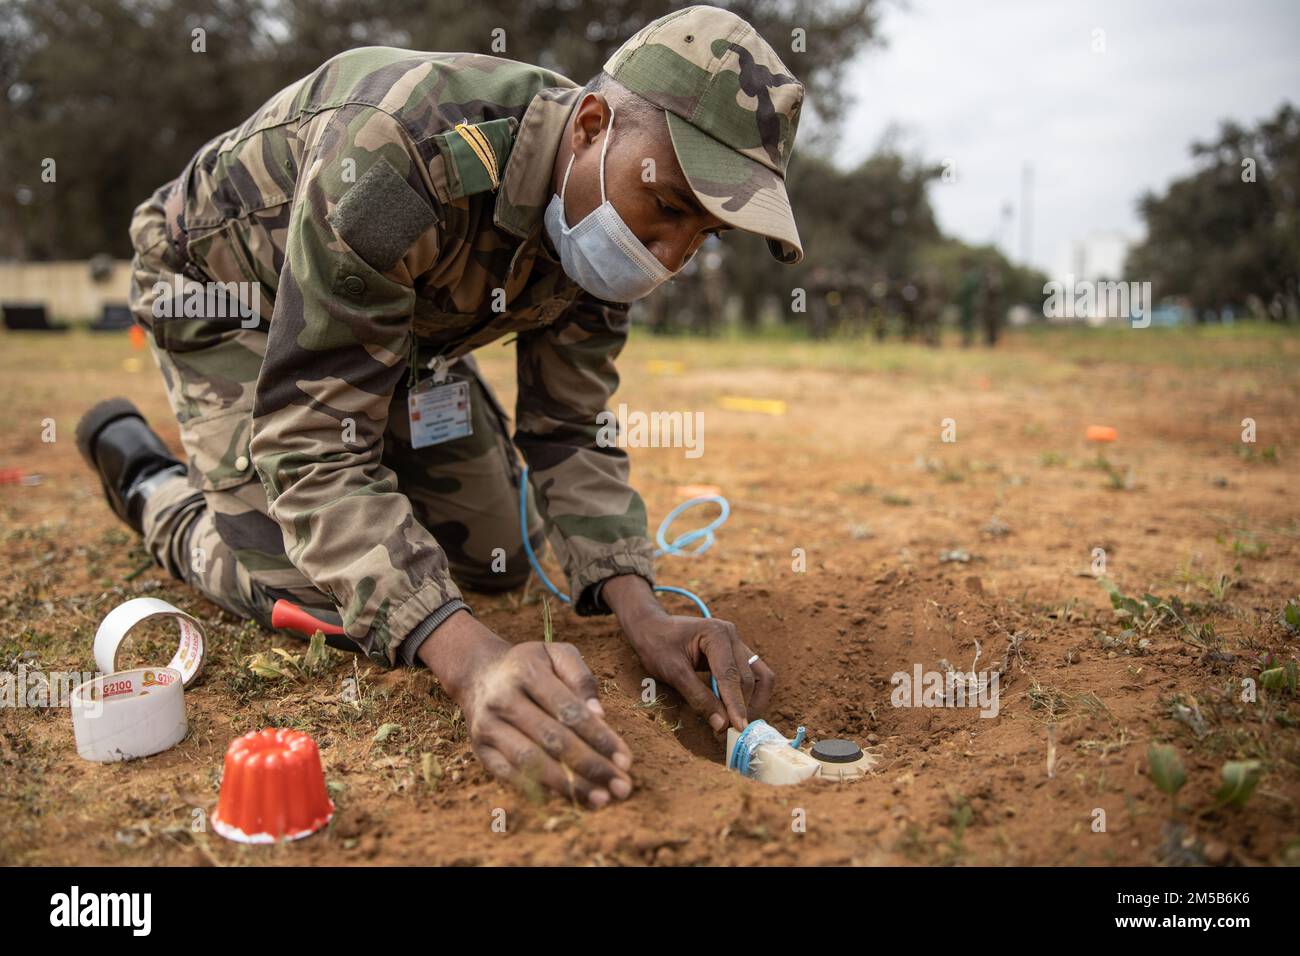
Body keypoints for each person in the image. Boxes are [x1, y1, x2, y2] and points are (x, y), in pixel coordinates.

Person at [75, 5, 803, 808]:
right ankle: (151, 484)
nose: (669, 257)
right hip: (222, 293)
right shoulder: (402, 159)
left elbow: (569, 429)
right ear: (592, 125)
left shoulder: (604, 216)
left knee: (491, 555)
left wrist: (641, 607)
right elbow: (313, 444)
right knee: (332, 591)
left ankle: (384, 427)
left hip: (392, 323)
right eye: (668, 207)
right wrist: (472, 664)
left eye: (703, 235)